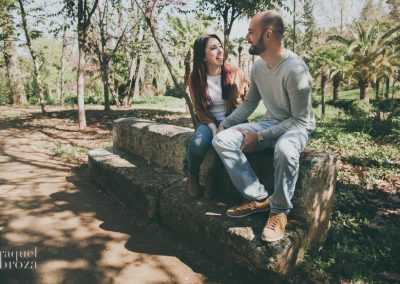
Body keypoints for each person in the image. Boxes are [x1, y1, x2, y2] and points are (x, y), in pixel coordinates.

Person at [212, 11, 315, 242]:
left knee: (285, 150)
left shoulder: (296, 70)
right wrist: (225, 125)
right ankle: (259, 198)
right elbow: (249, 103)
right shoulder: (258, 67)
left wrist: (258, 137)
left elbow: (300, 119)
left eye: (251, 31)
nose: (247, 36)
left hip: (297, 127)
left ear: (268, 35)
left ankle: (279, 210)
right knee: (222, 139)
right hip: (272, 121)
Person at [187, 34, 248, 200]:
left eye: (220, 46)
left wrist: (226, 125)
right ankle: (192, 176)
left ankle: (212, 177)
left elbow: (245, 103)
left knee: (228, 144)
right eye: (213, 48)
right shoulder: (195, 77)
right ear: (203, 56)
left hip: (233, 121)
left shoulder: (236, 72)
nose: (220, 50)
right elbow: (198, 109)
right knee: (198, 142)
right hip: (208, 121)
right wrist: (213, 127)